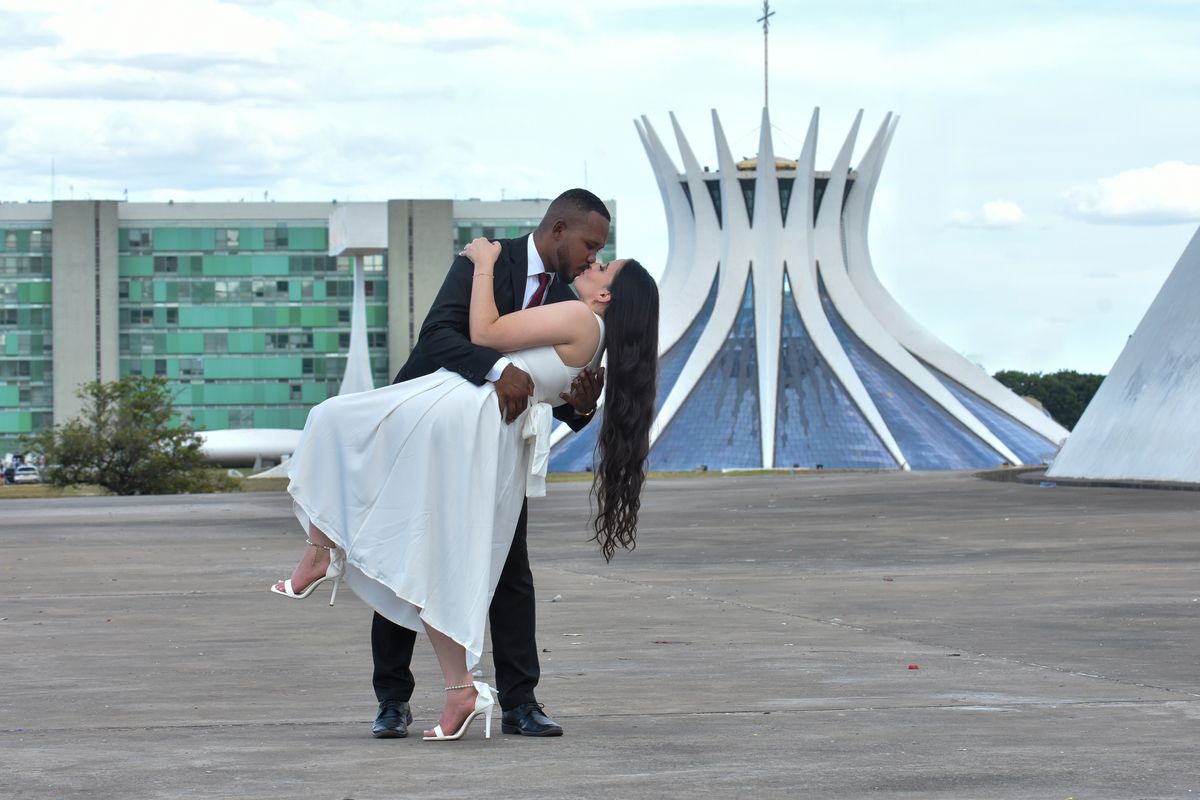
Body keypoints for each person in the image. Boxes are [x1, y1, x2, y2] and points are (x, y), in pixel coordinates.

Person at [272, 189, 660, 741]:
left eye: (601, 256)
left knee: (509, 572)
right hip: (430, 422)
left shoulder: (569, 298)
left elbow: (551, 391)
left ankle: (519, 703)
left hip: (495, 446)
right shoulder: (489, 261)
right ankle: (392, 699)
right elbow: (440, 336)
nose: (593, 257)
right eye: (591, 246)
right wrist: (498, 368)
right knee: (399, 550)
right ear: (559, 231)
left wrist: (578, 405)